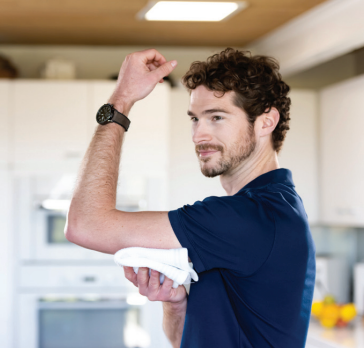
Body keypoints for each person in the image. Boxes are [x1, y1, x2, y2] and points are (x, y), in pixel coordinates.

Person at [65, 47, 316, 348]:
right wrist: (176, 302)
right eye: (195, 119)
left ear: (265, 122)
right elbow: (180, 339)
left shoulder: (248, 217)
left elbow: (85, 225)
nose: (198, 135)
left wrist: (121, 100)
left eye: (217, 117)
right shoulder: (272, 206)